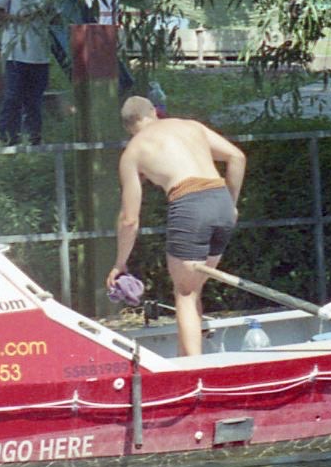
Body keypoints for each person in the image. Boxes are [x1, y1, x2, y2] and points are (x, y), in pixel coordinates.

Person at [106, 96, 247, 357]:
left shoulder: (134, 152)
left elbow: (129, 219)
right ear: (154, 113)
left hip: (190, 205)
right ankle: (191, 355)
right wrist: (233, 205)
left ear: (128, 127)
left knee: (184, 293)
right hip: (221, 202)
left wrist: (120, 264)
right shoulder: (191, 126)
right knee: (194, 289)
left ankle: (193, 374)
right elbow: (236, 157)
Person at [0, 0, 53, 145]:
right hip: (16, 50)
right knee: (13, 95)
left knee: (34, 99)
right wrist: (16, 18)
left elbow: (57, 16)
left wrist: (45, 15)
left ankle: (34, 137)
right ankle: (8, 137)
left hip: (39, 52)